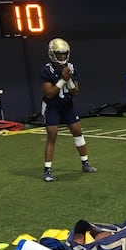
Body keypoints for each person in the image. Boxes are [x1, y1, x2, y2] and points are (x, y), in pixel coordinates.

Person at [40, 38, 96, 182]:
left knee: (77, 131)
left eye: (64, 53)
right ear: (52, 54)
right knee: (52, 135)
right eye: (59, 53)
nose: (62, 56)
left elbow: (75, 92)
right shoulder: (46, 69)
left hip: (67, 105)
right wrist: (62, 80)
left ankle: (85, 163)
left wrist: (69, 79)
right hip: (52, 106)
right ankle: (47, 170)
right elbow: (49, 93)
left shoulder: (71, 67)